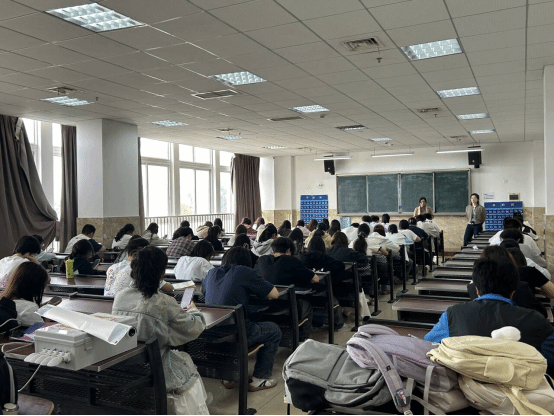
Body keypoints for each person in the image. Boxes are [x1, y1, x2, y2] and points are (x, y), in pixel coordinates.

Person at [112, 246, 209, 414]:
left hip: (127, 368)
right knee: (187, 364)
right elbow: (193, 328)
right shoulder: (164, 302)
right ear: (162, 274)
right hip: (156, 370)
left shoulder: (120, 297)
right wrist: (193, 310)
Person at [424, 256, 554, 369]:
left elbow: (427, 347)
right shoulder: (538, 321)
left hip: (465, 386)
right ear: (513, 291)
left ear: (476, 290)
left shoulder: (453, 314)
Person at [203, 247, 281, 391]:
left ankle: (227, 377)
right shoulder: (245, 271)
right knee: (274, 330)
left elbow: (205, 293)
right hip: (237, 333)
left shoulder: (211, 272)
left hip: (213, 333)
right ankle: (260, 378)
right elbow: (274, 294)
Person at [254, 237, 316, 339]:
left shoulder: (261, 260)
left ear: (273, 250)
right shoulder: (292, 260)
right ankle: (302, 338)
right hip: (285, 306)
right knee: (307, 305)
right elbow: (315, 279)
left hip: (261, 306)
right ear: (288, 250)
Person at [105, 238, 174, 297]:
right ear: (136, 253)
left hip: (106, 305)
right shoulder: (139, 268)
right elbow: (168, 288)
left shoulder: (112, 267)